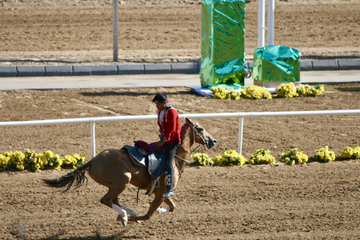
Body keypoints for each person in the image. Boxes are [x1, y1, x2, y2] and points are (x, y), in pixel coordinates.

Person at [152, 93, 181, 198]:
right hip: (164, 138)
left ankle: (170, 189)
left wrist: (163, 140)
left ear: (165, 103)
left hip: (172, 140)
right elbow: (162, 126)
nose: (156, 106)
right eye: (156, 104)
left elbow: (172, 129)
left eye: (158, 104)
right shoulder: (160, 111)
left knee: (168, 162)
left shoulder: (172, 112)